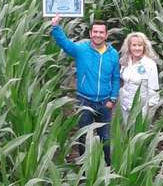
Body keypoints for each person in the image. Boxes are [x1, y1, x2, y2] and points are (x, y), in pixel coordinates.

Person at [50, 14, 119, 166]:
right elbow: (65, 44)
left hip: (105, 102)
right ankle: (83, 168)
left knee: (105, 137)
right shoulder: (81, 49)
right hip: (85, 101)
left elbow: (115, 78)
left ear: (106, 35)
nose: (98, 35)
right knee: (83, 136)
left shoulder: (113, 54)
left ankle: (107, 166)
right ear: (90, 33)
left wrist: (113, 98)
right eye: (95, 32)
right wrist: (56, 27)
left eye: (101, 32)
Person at [118, 32, 160, 123]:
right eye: (134, 45)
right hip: (125, 106)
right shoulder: (125, 61)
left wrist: (150, 111)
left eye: (140, 45)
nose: (137, 48)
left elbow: (153, 89)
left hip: (140, 110)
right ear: (129, 47)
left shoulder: (150, 64)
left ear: (144, 47)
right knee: (126, 130)